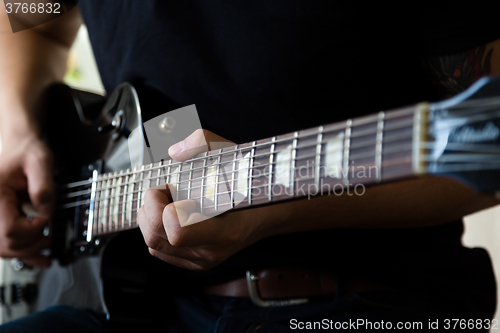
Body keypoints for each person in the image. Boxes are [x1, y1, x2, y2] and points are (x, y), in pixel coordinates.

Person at [0, 1, 500, 332]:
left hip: (360, 301)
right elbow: (32, 19)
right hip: (133, 300)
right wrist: (16, 130)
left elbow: (491, 147)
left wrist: (275, 214)